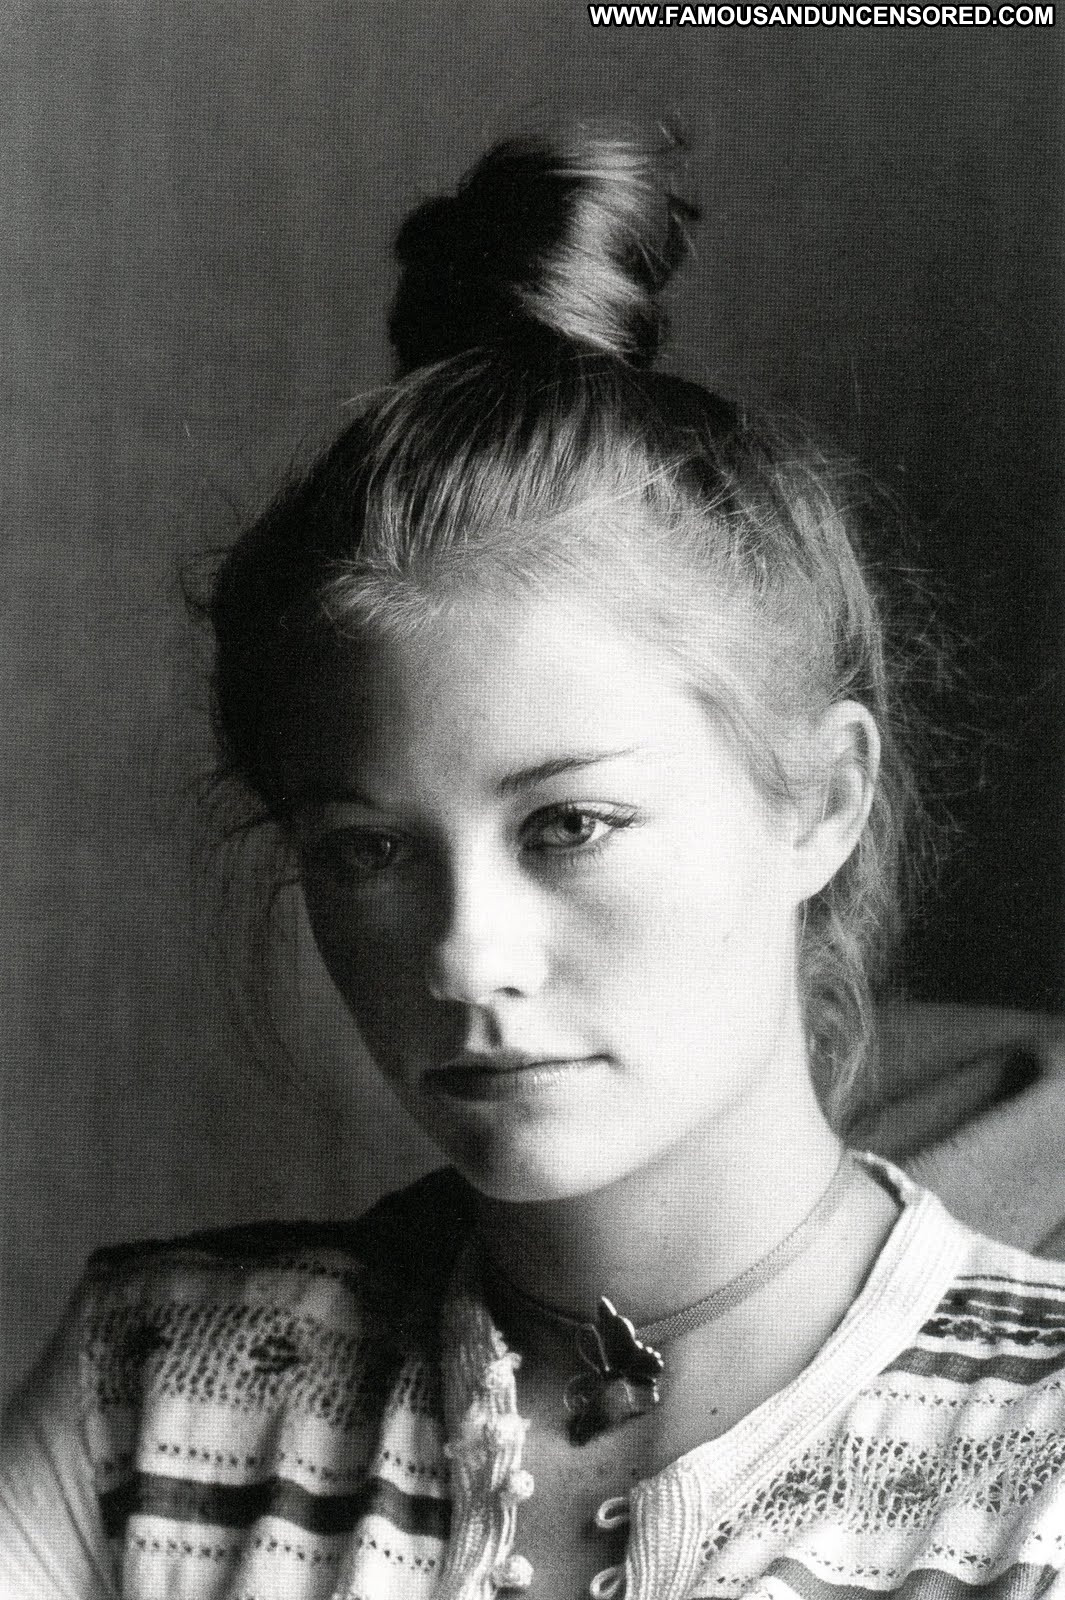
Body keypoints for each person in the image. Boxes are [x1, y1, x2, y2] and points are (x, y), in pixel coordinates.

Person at [3, 131, 1065, 1600]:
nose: (462, 955)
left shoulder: (1040, 1463)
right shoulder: (156, 1386)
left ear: (821, 802)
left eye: (569, 825)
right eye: (366, 849)